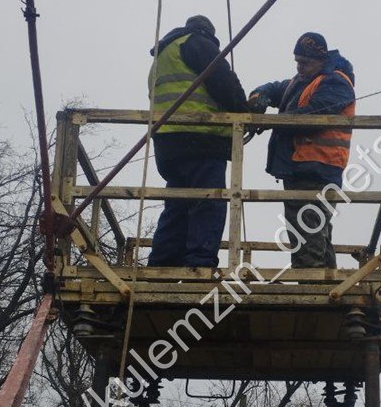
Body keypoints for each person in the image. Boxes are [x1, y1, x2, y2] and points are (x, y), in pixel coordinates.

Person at [148, 15, 247, 268]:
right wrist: (244, 110)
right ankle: (199, 264)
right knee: (208, 201)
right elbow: (222, 81)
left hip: (168, 144)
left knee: (177, 206)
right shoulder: (197, 43)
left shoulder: (163, 57)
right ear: (207, 33)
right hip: (200, 138)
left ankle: (161, 265)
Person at [248, 32, 355, 269]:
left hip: (318, 170)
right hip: (300, 169)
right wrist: (260, 95)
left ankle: (315, 287)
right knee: (311, 234)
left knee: (308, 235)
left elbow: (311, 116)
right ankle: (323, 285)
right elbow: (276, 88)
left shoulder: (335, 82)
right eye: (297, 61)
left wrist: (270, 122)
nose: (299, 67)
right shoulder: (302, 82)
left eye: (304, 62)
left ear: (320, 60)